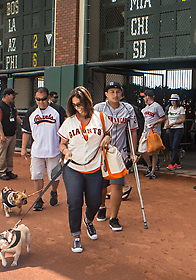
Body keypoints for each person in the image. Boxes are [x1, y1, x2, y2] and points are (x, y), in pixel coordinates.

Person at [59, 87, 112, 253]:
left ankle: (88, 221)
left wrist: (107, 138)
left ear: (88, 101)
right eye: (74, 105)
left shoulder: (101, 118)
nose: (78, 107)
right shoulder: (69, 122)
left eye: (80, 104)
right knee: (74, 202)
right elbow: (62, 143)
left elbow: (108, 134)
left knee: (95, 202)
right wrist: (66, 151)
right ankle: (76, 236)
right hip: (73, 168)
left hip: (94, 168)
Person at [94, 81, 137, 231]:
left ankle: (114, 217)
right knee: (101, 184)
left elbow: (133, 130)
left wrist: (133, 152)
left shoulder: (128, 108)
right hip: (101, 151)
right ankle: (101, 207)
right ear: (106, 94)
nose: (115, 94)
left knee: (117, 184)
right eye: (111, 91)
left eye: (118, 91)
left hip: (120, 152)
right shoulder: (98, 108)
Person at [21, 87, 61, 211]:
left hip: (54, 150)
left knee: (55, 176)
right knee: (36, 175)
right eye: (38, 99)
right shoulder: (31, 113)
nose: (41, 102)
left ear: (48, 97)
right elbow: (26, 131)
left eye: (43, 99)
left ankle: (54, 192)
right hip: (37, 150)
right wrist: (23, 148)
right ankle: (39, 198)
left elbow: (65, 130)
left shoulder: (58, 111)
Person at [0, 88, 19, 180]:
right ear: (7, 95)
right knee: (2, 154)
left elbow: (16, 116)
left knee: (10, 154)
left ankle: (9, 171)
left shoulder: (12, 105)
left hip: (12, 134)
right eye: (13, 95)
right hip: (3, 135)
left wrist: (24, 124)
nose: (14, 97)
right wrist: (2, 135)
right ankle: (2, 172)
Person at [141, 89, 166, 179]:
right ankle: (149, 165)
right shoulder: (145, 108)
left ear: (148, 97)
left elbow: (163, 117)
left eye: (144, 97)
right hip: (145, 132)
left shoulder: (157, 106)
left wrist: (155, 123)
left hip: (154, 132)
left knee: (154, 152)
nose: (143, 98)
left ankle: (153, 171)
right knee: (142, 150)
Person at [165, 93, 185, 169]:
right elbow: (168, 118)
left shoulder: (181, 108)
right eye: (172, 100)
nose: (173, 102)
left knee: (175, 145)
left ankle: (172, 163)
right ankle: (177, 162)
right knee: (172, 145)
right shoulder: (170, 108)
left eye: (174, 100)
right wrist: (166, 125)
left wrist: (174, 123)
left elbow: (183, 119)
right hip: (171, 129)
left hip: (178, 128)